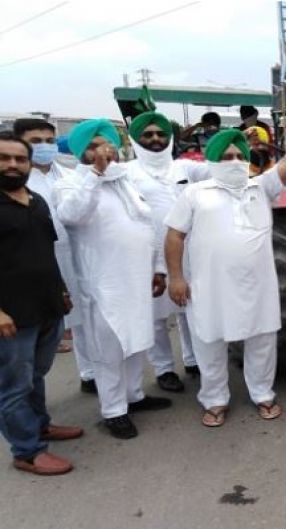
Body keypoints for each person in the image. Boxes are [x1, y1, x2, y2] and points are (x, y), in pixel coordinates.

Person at [164, 105, 286, 427]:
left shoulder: (261, 187)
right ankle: (214, 400)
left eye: (237, 155)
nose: (233, 161)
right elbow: (174, 236)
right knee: (210, 341)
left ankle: (262, 393)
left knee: (262, 341)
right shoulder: (196, 194)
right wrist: (176, 278)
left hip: (258, 285)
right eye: (225, 157)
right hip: (209, 285)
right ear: (213, 161)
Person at [54, 119, 171, 440]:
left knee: (136, 342)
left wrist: (159, 268)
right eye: (91, 147)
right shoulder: (72, 183)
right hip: (103, 284)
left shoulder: (125, 181)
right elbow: (71, 215)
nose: (100, 151)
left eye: (103, 144)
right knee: (109, 350)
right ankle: (113, 410)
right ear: (80, 152)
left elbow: (147, 226)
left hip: (138, 280)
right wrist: (96, 173)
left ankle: (134, 396)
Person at [0, 131, 83, 475]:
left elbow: (46, 251)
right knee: (13, 385)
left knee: (35, 375)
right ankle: (28, 451)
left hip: (47, 306)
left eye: (19, 158)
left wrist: (61, 290)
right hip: (11, 316)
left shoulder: (35, 201)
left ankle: (40, 425)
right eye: (4, 158)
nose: (12, 164)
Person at [13, 119, 97, 393]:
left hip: (76, 253)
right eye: (36, 141)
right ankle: (28, 406)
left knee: (85, 316)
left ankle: (90, 373)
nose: (45, 146)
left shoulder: (70, 174)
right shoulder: (16, 182)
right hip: (33, 264)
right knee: (34, 341)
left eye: (49, 140)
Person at [126, 111, 207, 389]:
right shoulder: (127, 173)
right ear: (136, 140)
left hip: (186, 248)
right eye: (147, 135)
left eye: (161, 134)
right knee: (156, 316)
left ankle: (193, 359)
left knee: (188, 308)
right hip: (146, 253)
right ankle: (163, 369)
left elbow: (214, 169)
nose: (156, 139)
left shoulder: (184, 168)